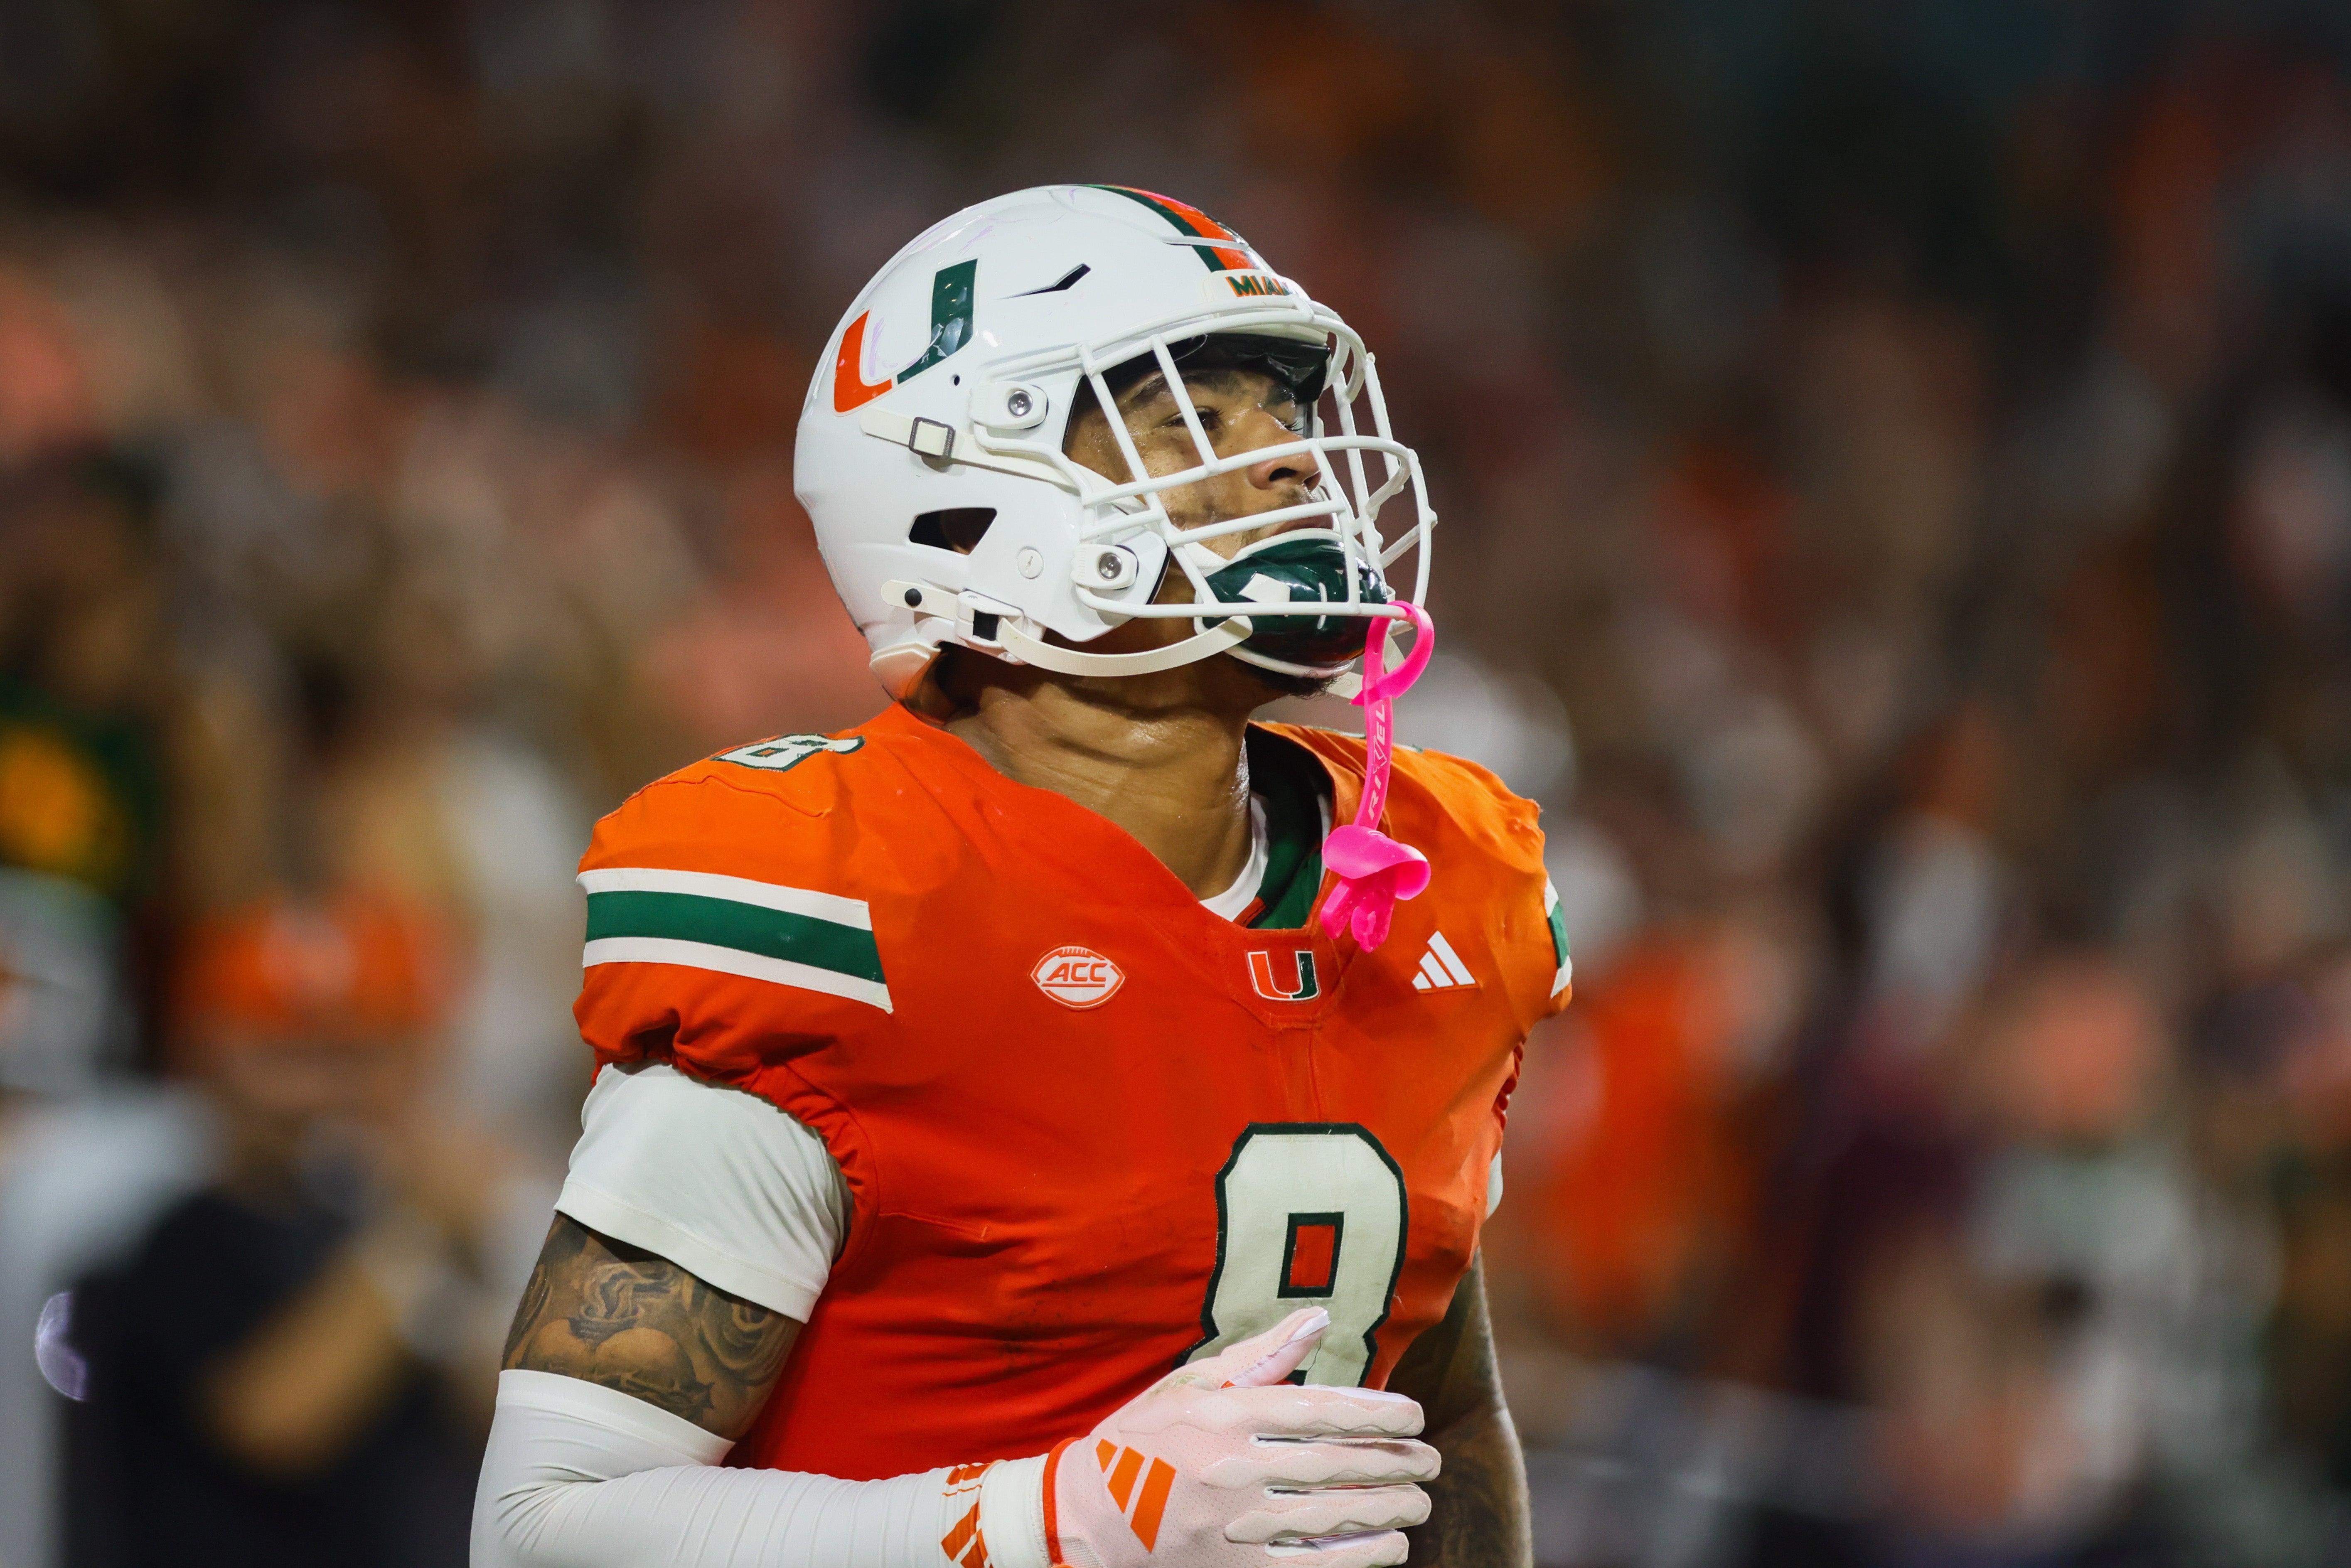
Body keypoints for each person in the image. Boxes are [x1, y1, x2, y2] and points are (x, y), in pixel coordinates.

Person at [472, 184, 1574, 1568]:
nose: (1292, 463)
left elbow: (1438, 1421)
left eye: (1287, 414)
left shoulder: (1419, 883)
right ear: (959, 507)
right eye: (1194, 420)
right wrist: (1061, 1522)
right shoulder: (846, 906)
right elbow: (541, 1529)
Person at [68, 892, 524, 1567]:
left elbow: (503, 1415)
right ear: (207, 1054)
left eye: (349, 1056)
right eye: (284, 1054)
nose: (319, 1092)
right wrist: (421, 1226)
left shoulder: (368, 1223)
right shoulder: (175, 1231)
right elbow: (275, 1420)